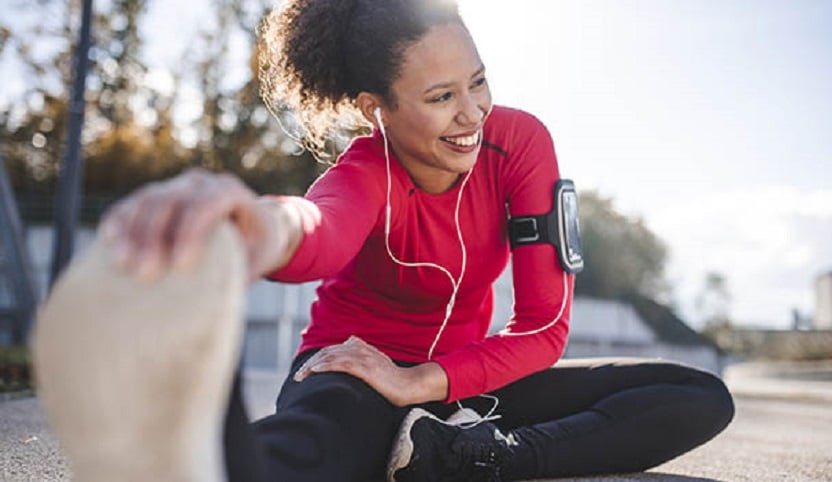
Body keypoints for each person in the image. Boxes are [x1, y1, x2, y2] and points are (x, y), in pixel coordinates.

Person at [34, 0, 734, 481]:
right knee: (311, 450)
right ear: (379, 109)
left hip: (464, 388)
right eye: (440, 98)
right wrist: (252, 224)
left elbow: (545, 326)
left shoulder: (520, 143)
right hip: (354, 372)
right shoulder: (366, 170)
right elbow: (317, 231)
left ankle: (469, 459)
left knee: (694, 397)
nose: (472, 114)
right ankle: (195, 447)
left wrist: (425, 386)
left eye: (479, 83)